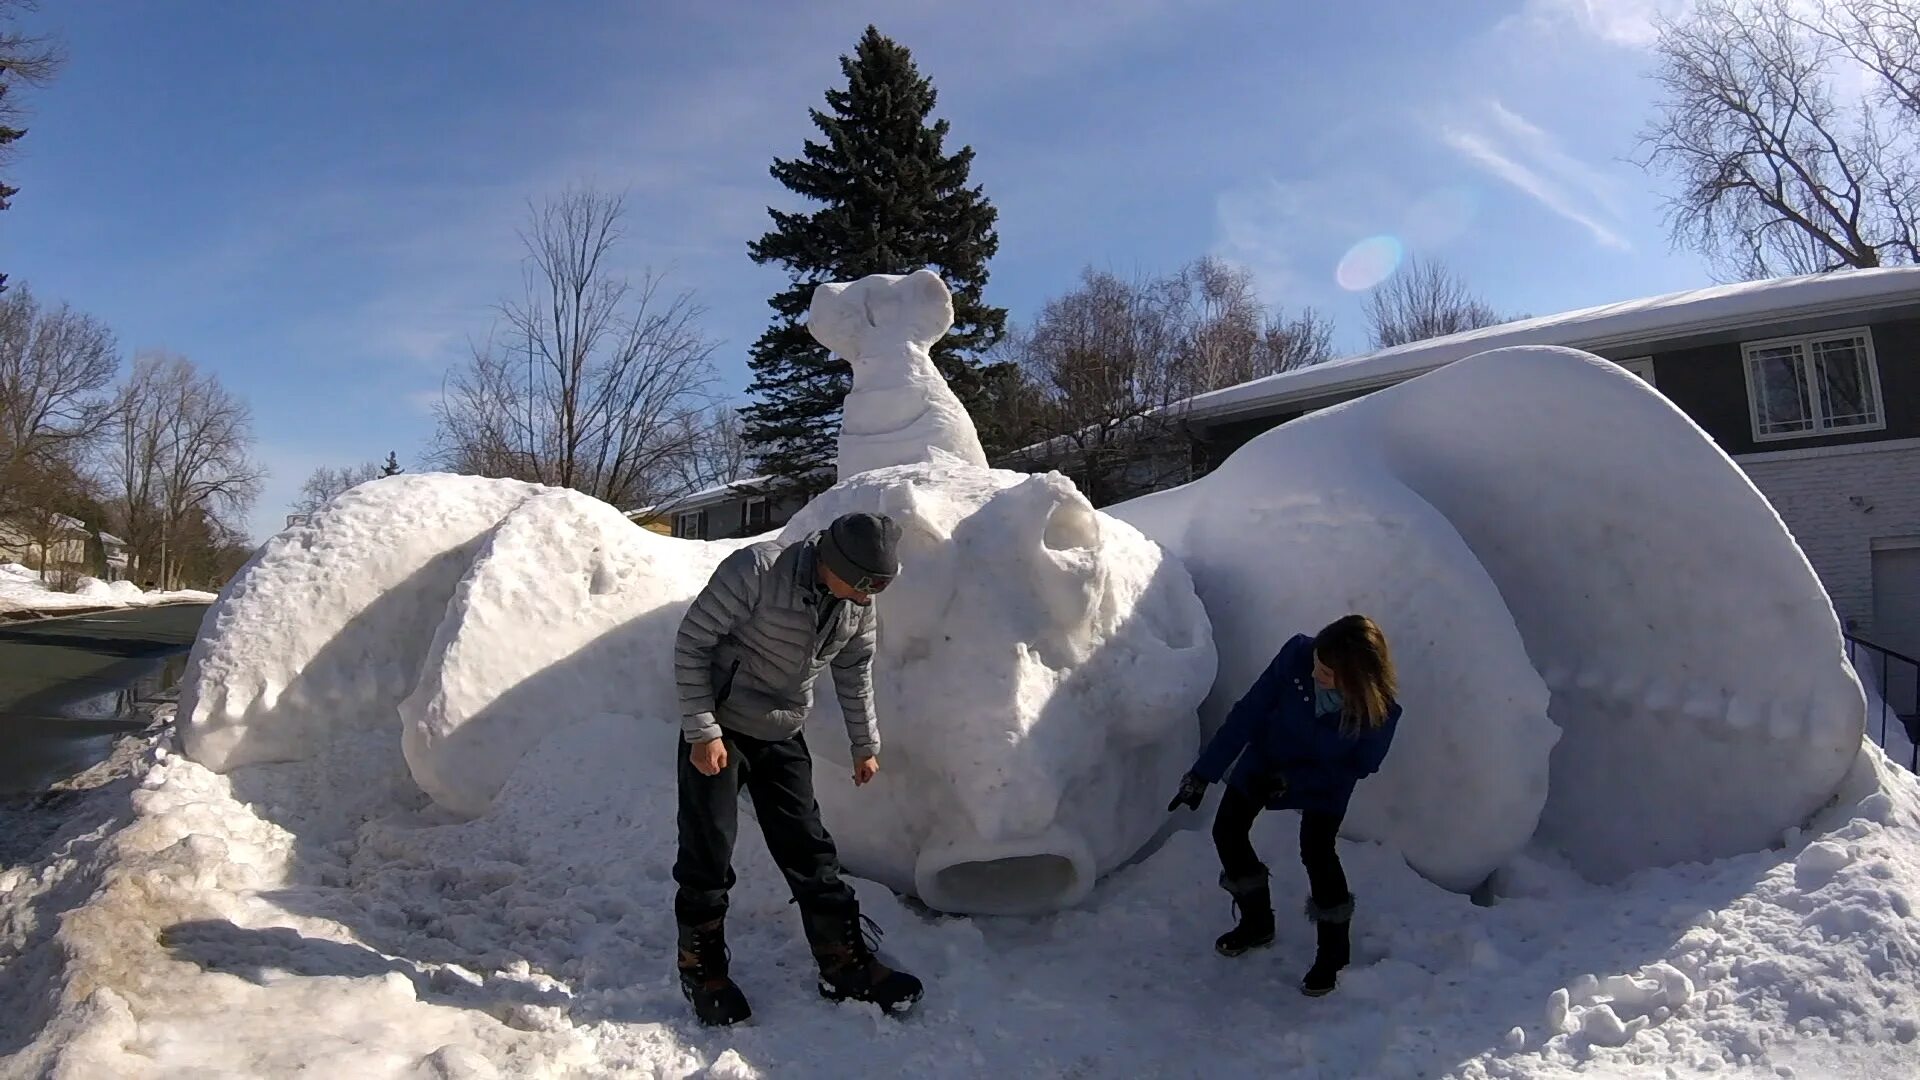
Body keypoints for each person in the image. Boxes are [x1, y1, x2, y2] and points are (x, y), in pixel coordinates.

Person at [670, 511, 923, 1026]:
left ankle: (843, 965)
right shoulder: (757, 570)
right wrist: (703, 730)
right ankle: (703, 970)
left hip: (782, 730)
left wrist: (864, 742)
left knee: (809, 848)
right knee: (709, 850)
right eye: (861, 583)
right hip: (721, 725)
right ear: (832, 560)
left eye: (877, 587)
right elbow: (692, 644)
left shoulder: (857, 604)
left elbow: (853, 671)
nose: (866, 596)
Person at [1167, 614, 1401, 997]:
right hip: (1266, 761)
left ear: (1355, 677)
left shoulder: (1379, 712)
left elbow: (1358, 767)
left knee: (1317, 851)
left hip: (1324, 780)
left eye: (1327, 672)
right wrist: (1202, 775)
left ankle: (1333, 953)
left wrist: (1294, 783)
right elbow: (1248, 713)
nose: (1315, 673)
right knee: (1227, 830)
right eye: (1317, 663)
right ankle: (1257, 923)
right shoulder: (1297, 655)